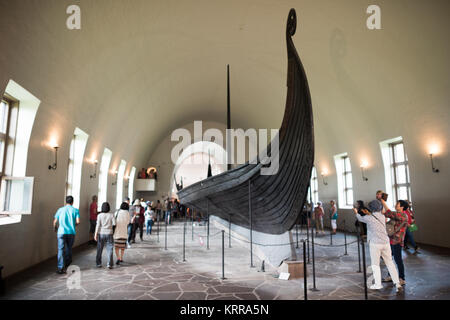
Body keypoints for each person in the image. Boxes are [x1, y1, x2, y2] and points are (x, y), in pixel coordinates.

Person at [353, 200, 402, 292]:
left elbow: (360, 218)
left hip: (375, 243)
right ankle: (397, 283)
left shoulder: (369, 218)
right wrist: (368, 213)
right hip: (386, 243)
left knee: (375, 264)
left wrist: (356, 212)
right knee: (390, 263)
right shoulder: (383, 217)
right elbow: (373, 217)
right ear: (380, 208)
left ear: (371, 208)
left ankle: (378, 284)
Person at [380, 198, 409, 286]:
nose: (396, 205)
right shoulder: (397, 214)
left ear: (402, 207)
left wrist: (383, 202)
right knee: (389, 259)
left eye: (398, 204)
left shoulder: (403, 216)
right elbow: (385, 214)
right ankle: (391, 276)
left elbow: (389, 213)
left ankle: (402, 278)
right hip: (390, 240)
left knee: (398, 259)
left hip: (397, 241)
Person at [53, 196, 80, 274]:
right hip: (71, 232)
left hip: (61, 232)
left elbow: (54, 222)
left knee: (60, 249)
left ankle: (60, 268)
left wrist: (55, 228)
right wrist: (73, 225)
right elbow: (78, 222)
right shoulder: (75, 210)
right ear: (72, 202)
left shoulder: (60, 210)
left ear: (65, 201)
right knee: (69, 249)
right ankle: (67, 266)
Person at [95, 202, 115, 269]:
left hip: (101, 233)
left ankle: (98, 263)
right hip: (109, 233)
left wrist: (95, 234)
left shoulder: (99, 215)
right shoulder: (111, 215)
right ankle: (109, 264)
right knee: (110, 249)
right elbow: (114, 224)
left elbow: (97, 225)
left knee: (99, 249)